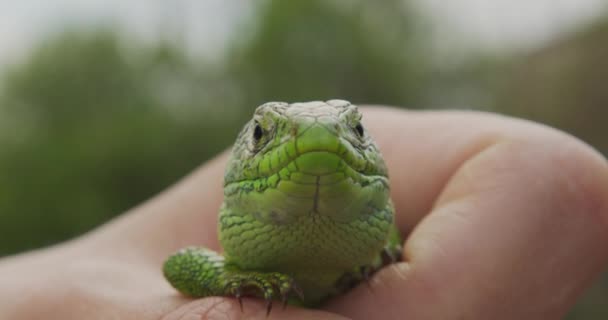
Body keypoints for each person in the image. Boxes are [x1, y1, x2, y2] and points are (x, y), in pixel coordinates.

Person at [1, 107, 607, 320]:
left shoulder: (386, 231)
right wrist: (227, 282)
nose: (322, 137)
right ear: (233, 175)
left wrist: (385, 259)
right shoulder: (216, 247)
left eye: (356, 130)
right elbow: (183, 265)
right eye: (265, 133)